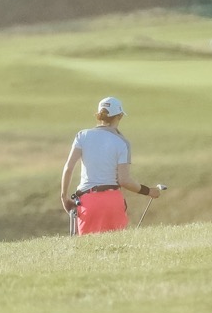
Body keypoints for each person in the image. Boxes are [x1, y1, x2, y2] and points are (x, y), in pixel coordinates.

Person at [60, 96, 160, 235]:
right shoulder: (122, 142)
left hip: (88, 201)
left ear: (99, 115)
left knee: (89, 251)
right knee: (118, 250)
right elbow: (124, 180)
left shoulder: (82, 136)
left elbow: (68, 168)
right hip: (113, 202)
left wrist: (64, 197)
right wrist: (148, 191)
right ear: (119, 116)